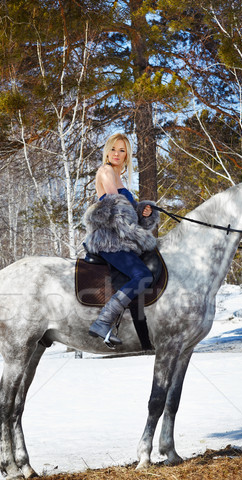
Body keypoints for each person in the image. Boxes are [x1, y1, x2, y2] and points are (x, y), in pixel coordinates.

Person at [83, 133, 159, 345]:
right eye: (113, 149)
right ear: (107, 151)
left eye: (122, 150)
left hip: (121, 238)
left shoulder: (119, 177)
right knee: (142, 275)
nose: (117, 154)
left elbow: (128, 214)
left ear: (127, 156)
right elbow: (117, 209)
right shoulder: (106, 171)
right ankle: (103, 321)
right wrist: (141, 236)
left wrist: (143, 213)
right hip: (110, 239)